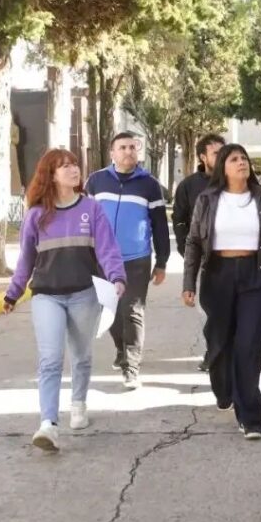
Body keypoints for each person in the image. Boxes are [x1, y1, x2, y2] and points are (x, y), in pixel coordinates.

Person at [3, 149, 126, 452]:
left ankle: (79, 404)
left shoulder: (91, 209)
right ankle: (48, 424)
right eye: (65, 166)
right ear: (51, 175)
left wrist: (117, 277)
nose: (73, 170)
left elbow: (107, 249)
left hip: (84, 293)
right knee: (50, 359)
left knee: (81, 355)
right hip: (47, 296)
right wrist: (14, 292)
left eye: (74, 165)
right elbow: (26, 261)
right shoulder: (36, 216)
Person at [182, 143, 261, 440]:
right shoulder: (208, 199)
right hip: (217, 275)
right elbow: (194, 242)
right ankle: (225, 390)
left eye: (244, 158)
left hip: (257, 276)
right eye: (234, 159)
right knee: (220, 344)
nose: (241, 162)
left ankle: (251, 416)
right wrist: (188, 283)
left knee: (248, 345)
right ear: (222, 166)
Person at [85, 131, 170, 390]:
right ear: (112, 153)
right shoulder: (96, 181)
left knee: (132, 310)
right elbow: (86, 219)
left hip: (137, 259)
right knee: (110, 309)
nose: (128, 151)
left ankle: (131, 367)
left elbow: (159, 225)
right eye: (122, 147)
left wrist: (162, 261)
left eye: (133, 147)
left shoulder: (149, 185)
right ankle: (121, 349)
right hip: (102, 258)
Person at [172, 133, 225, 372]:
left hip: (239, 259)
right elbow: (179, 220)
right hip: (206, 261)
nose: (223, 157)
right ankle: (214, 351)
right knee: (213, 311)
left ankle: (223, 354)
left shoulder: (237, 180)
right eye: (216, 153)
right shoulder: (189, 186)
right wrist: (187, 251)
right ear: (203, 157)